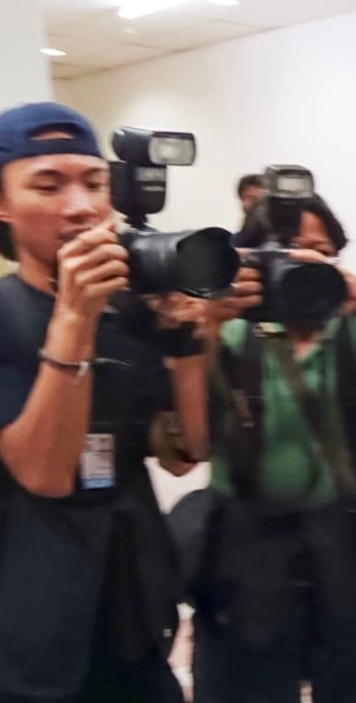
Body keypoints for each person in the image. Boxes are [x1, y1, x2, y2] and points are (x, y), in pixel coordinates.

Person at [189, 192, 356, 703]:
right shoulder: (226, 334)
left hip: (351, 552)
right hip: (245, 560)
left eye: (318, 251)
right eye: (282, 252)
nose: (297, 266)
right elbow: (186, 444)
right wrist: (204, 324)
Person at [0, 101, 212, 703]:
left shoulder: (126, 311)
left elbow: (182, 452)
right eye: (48, 184)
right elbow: (41, 473)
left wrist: (188, 343)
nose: (82, 205)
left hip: (133, 608)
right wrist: (73, 317)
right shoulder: (8, 315)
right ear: (4, 205)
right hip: (29, 619)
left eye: (94, 182)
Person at [232, 174, 264, 247]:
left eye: (261, 200)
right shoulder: (232, 244)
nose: (256, 205)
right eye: (251, 198)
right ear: (241, 199)